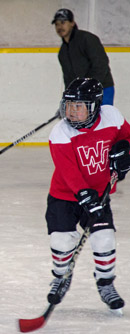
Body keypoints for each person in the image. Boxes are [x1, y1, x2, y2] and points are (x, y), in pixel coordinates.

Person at [45, 77, 130, 314]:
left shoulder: (112, 116)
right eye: (69, 106)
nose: (72, 112)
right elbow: (68, 172)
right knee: (61, 243)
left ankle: (106, 284)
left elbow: (127, 138)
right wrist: (84, 194)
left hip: (99, 193)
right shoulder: (60, 132)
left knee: (105, 240)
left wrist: (125, 152)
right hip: (64, 197)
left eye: (79, 106)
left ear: (94, 106)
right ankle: (61, 277)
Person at [52, 8, 115, 105]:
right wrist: (67, 99)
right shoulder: (62, 52)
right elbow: (68, 79)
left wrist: (89, 87)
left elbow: (101, 64)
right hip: (83, 94)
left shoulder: (87, 39)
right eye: (57, 24)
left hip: (102, 89)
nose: (59, 27)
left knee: (103, 119)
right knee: (86, 120)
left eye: (63, 22)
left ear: (72, 23)